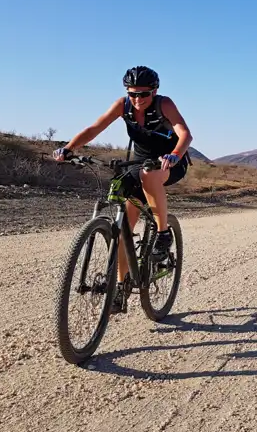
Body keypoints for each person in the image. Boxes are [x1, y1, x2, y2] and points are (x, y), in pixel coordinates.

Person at [53, 66, 193, 312]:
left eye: (144, 94)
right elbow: (94, 128)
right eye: (132, 94)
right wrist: (69, 148)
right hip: (138, 162)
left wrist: (174, 154)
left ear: (155, 91)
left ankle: (163, 233)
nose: (138, 99)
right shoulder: (122, 106)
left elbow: (185, 134)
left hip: (170, 161)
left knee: (150, 175)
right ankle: (121, 286)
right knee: (123, 229)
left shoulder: (164, 104)